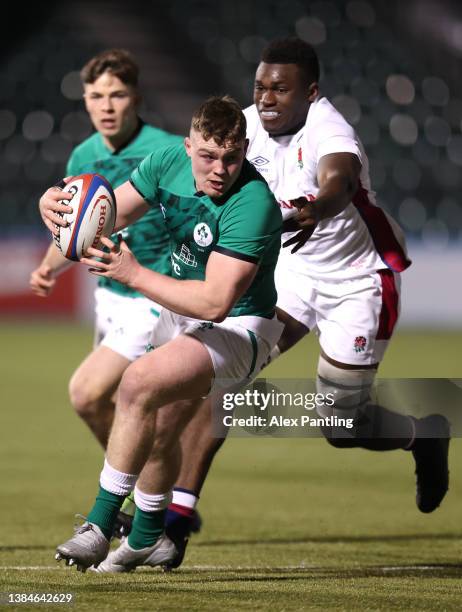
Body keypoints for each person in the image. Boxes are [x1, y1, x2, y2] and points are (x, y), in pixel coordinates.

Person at [161, 37, 451, 568]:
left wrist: (310, 210)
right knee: (222, 376)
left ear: (310, 92)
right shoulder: (244, 127)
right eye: (260, 86)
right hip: (292, 276)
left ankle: (424, 435)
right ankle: (175, 524)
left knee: (340, 426)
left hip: (358, 284)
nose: (266, 98)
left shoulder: (328, 129)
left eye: (280, 88)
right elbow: (194, 160)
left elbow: (338, 184)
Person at [38, 95, 283, 572]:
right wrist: (58, 206)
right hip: (179, 315)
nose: (219, 169)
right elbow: (115, 213)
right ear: (188, 146)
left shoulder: (253, 203)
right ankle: (150, 537)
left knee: (137, 384)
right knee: (154, 428)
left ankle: (98, 525)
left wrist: (132, 273)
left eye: (231, 158)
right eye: (208, 156)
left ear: (245, 150)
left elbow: (216, 301)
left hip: (239, 328)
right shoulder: (167, 161)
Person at [29, 49, 186, 531]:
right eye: (96, 96)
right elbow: (77, 230)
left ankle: (134, 502)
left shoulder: (170, 148)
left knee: (86, 392)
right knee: (129, 416)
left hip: (152, 298)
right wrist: (49, 266)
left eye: (117, 94)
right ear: (86, 101)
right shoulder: (83, 156)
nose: (107, 105)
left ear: (136, 96)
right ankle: (152, 504)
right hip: (109, 300)